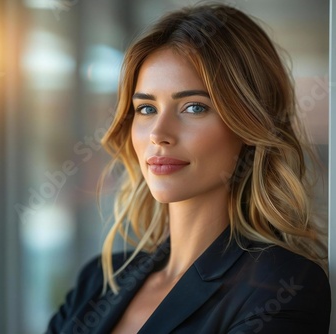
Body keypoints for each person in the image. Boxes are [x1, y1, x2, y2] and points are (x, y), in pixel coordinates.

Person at [46, 3, 331, 333]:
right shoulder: (98, 281)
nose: (159, 133)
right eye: (147, 108)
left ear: (249, 124)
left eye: (194, 107)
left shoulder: (281, 284)